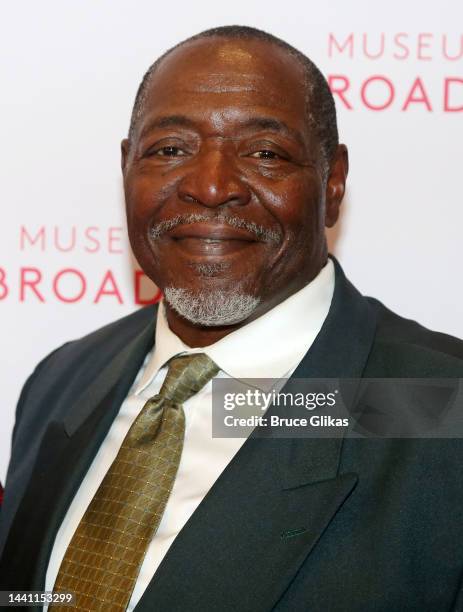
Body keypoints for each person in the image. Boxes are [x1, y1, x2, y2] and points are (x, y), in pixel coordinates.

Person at [1, 25, 463, 612]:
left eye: (265, 153)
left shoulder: (442, 407)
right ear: (127, 168)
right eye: (170, 149)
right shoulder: (62, 379)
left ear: (333, 181)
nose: (212, 186)